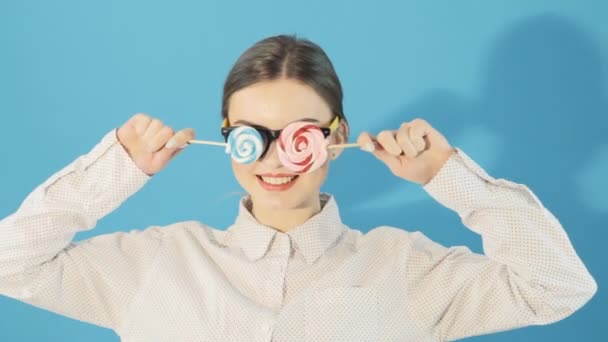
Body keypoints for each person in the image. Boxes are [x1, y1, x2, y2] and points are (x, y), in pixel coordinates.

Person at [0, 35, 597, 342]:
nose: (276, 159)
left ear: (335, 135)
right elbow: (9, 264)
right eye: (251, 135)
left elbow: (559, 289)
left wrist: (450, 177)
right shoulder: (152, 265)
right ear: (226, 137)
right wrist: (116, 170)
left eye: (299, 134)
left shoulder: (408, 270)